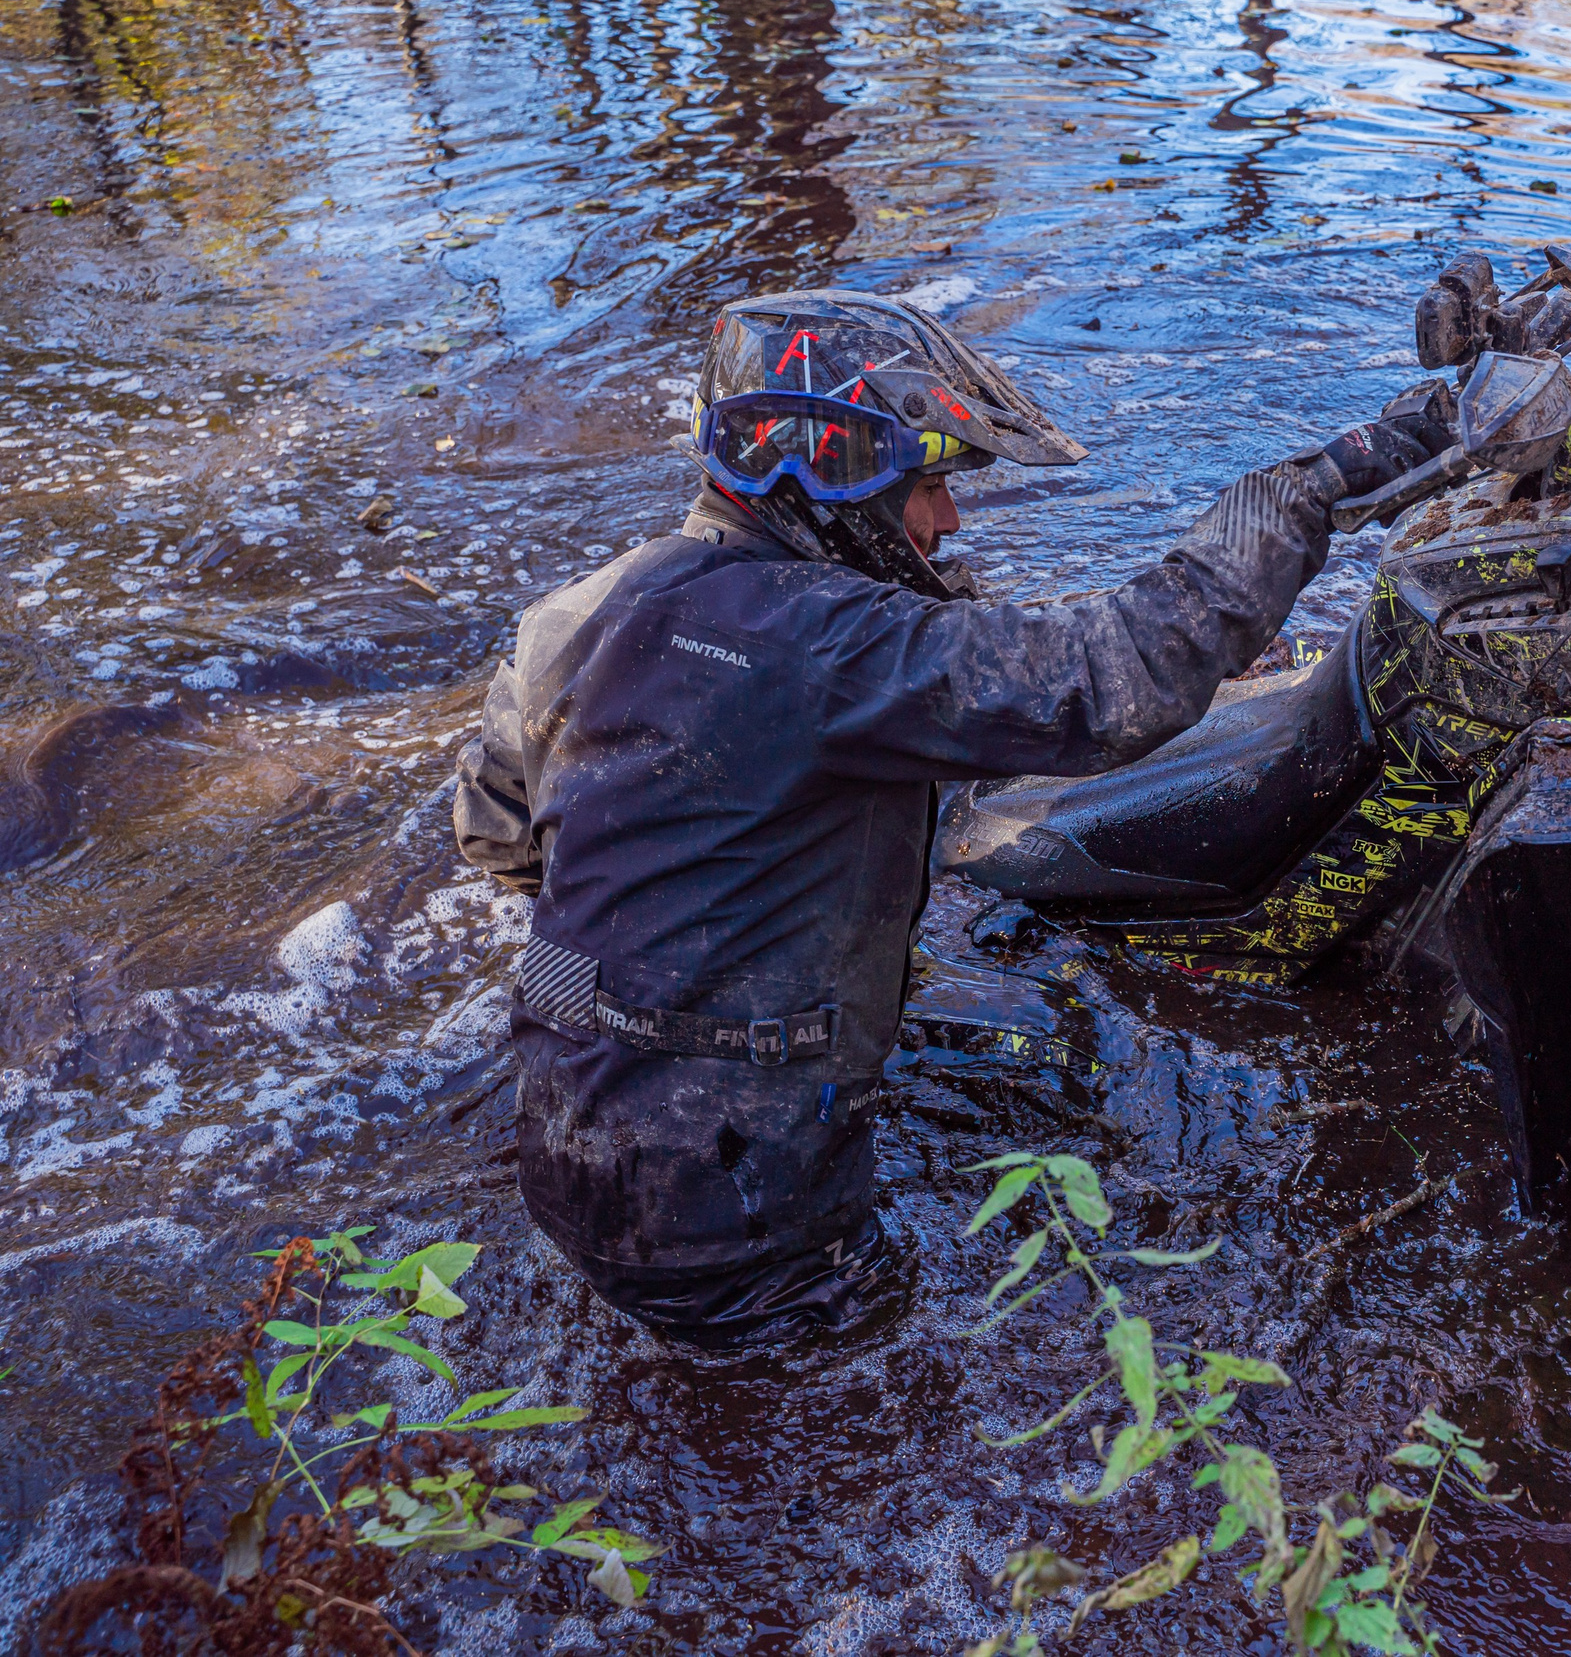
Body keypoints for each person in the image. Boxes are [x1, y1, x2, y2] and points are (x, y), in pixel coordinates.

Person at [452, 289, 1449, 1342]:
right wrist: (1309, 490)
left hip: (567, 1136)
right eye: (928, 484)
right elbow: (1112, 676)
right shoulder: (839, 643)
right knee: (843, 1400)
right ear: (831, 472)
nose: (949, 518)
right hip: (738, 1200)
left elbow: (500, 839)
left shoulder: (572, 614)